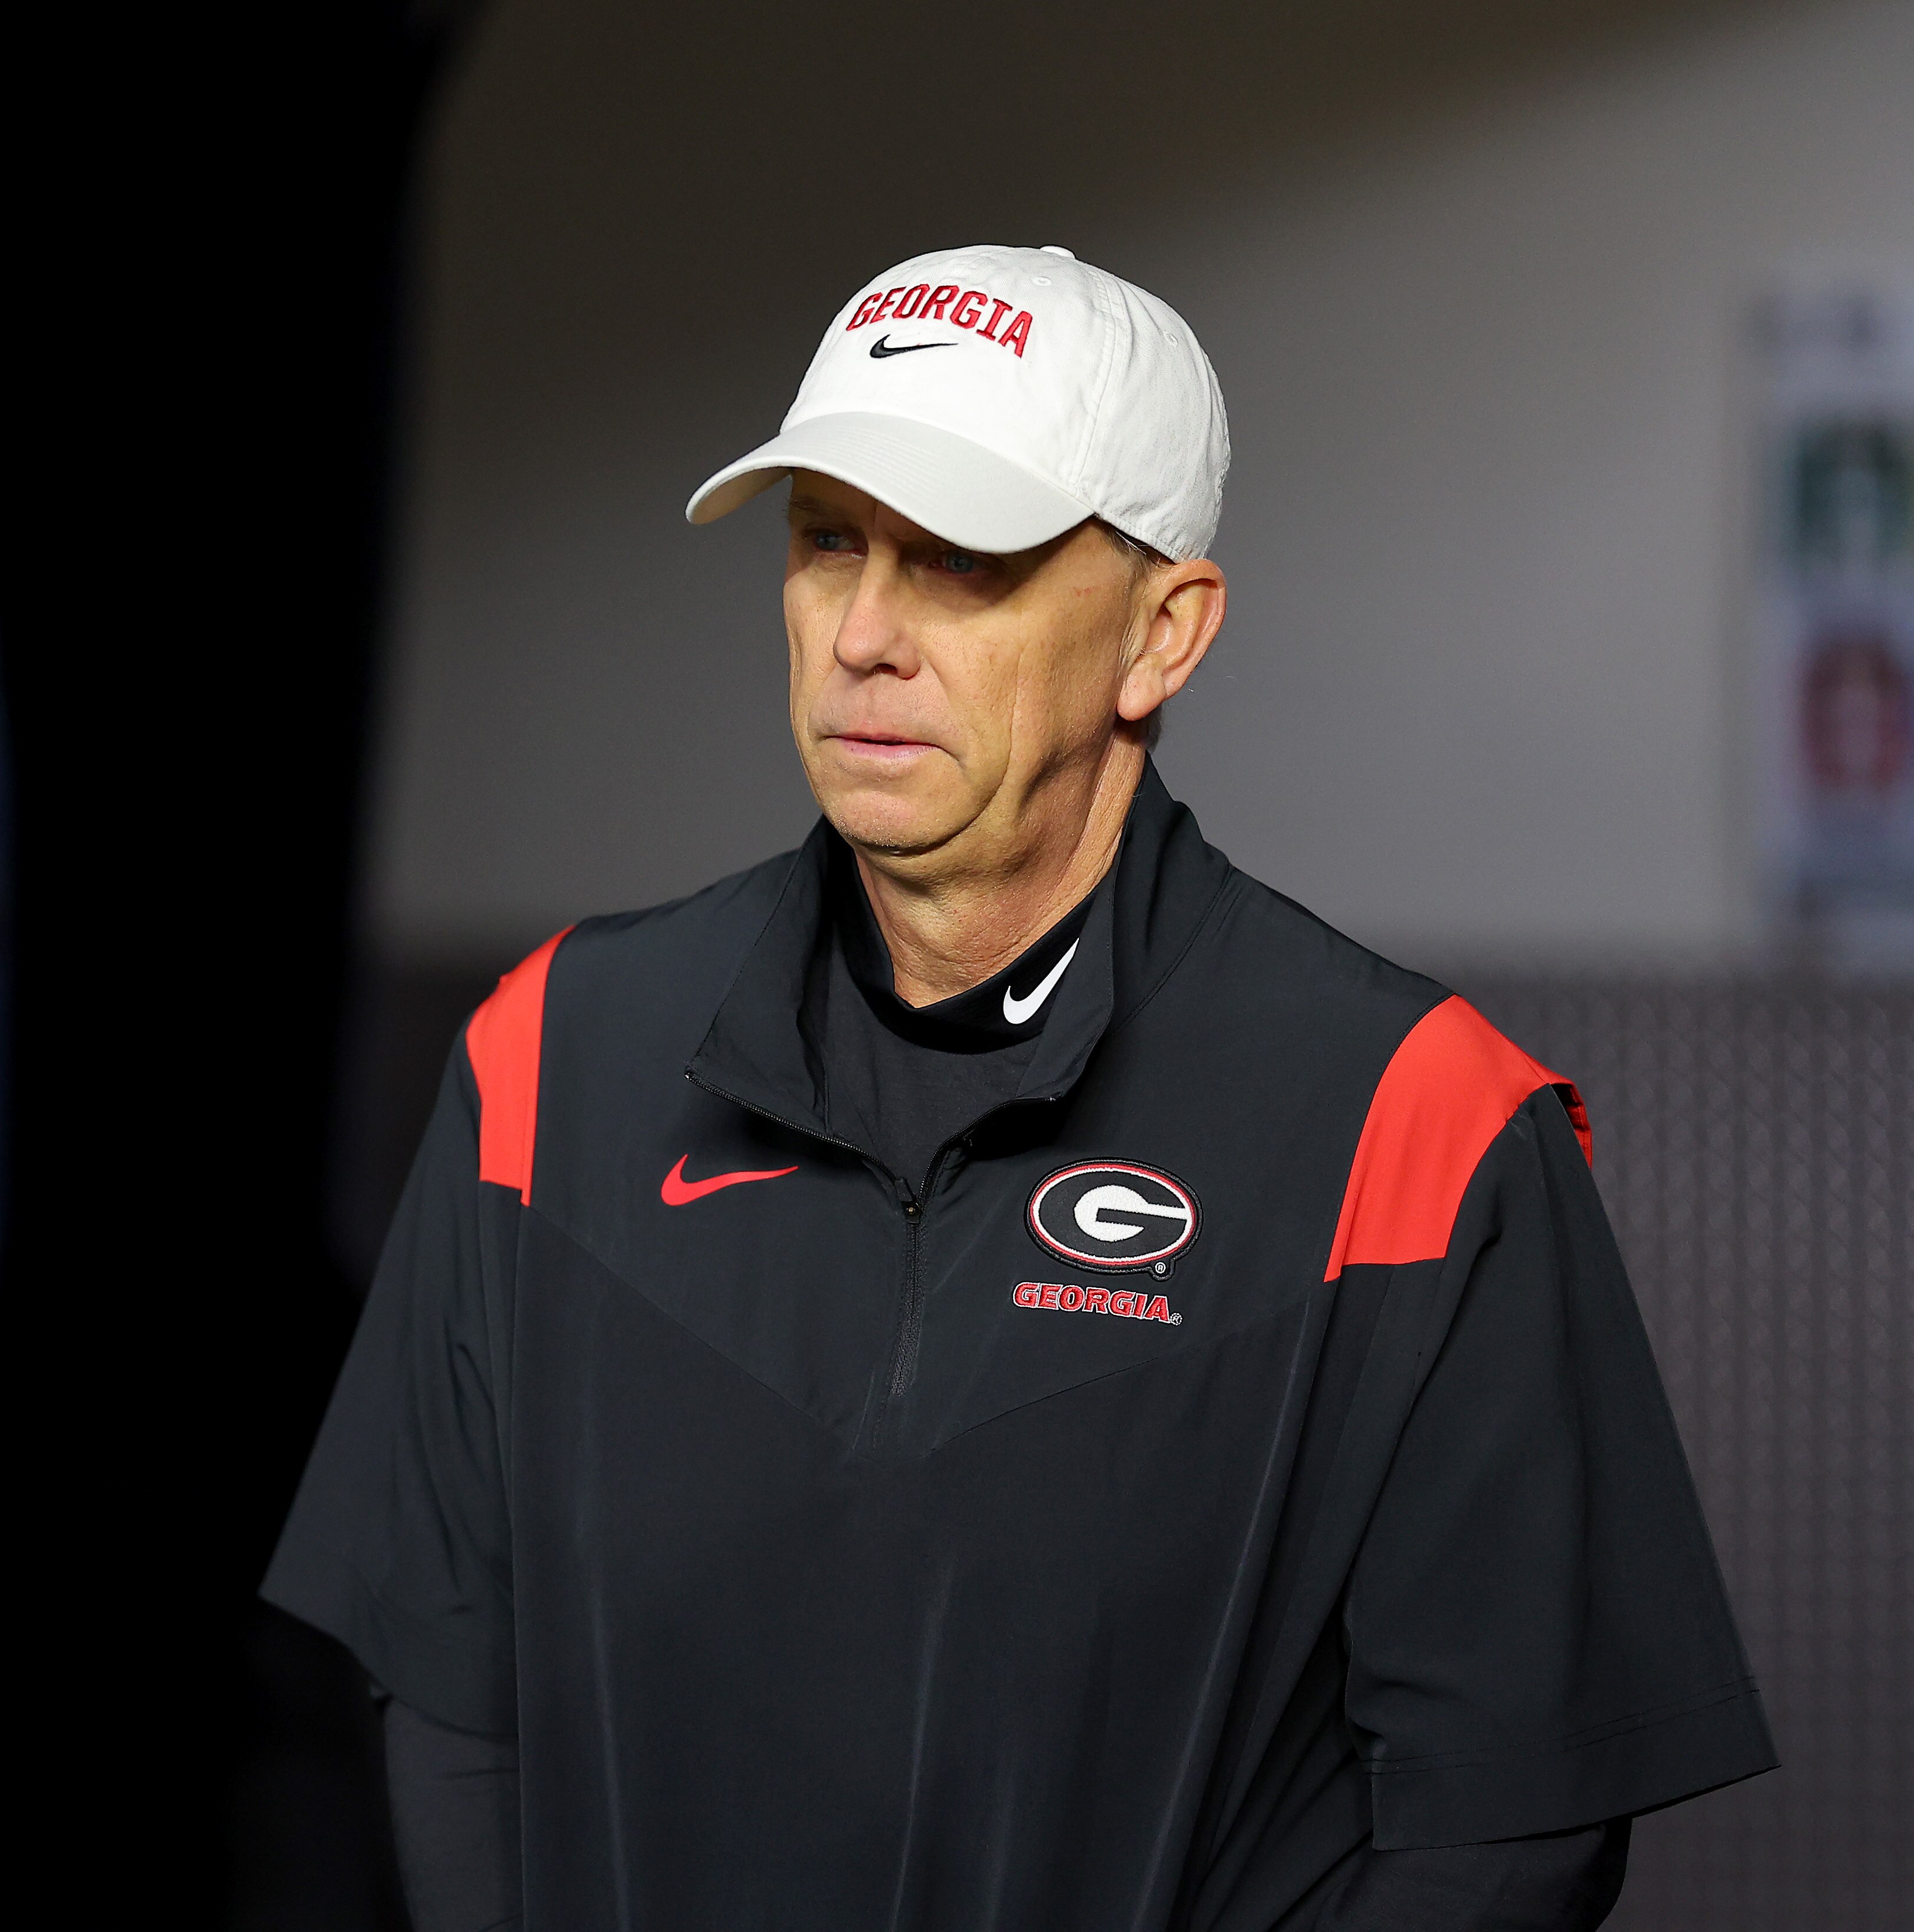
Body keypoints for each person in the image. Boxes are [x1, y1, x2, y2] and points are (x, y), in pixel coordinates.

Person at [265, 244, 1775, 1930]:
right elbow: (452, 1693)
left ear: (1162, 633)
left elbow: (1502, 1830)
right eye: (827, 539)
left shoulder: (1416, 1131)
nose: (863, 633)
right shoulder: (553, 1058)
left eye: (963, 560)